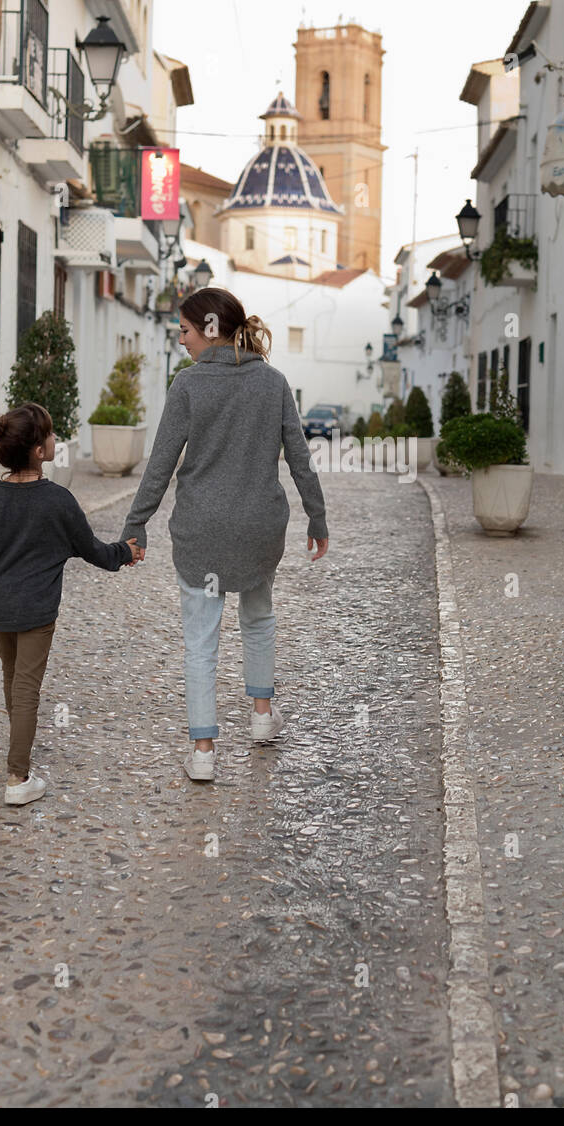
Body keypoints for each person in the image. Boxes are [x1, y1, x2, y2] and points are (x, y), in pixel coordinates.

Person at [119, 287, 329, 782]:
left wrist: (136, 524)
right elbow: (300, 459)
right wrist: (316, 517)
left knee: (200, 641)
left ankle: (203, 751)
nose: (181, 340)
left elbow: (161, 463)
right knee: (258, 618)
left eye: (185, 330)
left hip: (203, 531)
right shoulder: (273, 382)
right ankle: (261, 716)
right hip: (258, 528)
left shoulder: (188, 385)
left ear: (210, 329)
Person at [0, 403, 143, 805]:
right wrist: (125, 552)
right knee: (26, 688)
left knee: (13, 678)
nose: (57, 439)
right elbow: (93, 550)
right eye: (52, 434)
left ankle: (18, 746)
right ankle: (17, 776)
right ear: (39, 451)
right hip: (36, 612)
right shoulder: (58, 500)